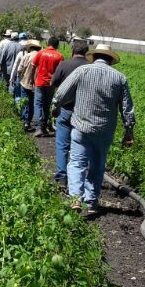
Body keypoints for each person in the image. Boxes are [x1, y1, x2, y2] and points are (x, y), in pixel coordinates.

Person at [51, 44, 134, 218]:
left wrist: (55, 107)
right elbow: (127, 108)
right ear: (110, 60)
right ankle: (91, 202)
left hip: (81, 127)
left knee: (76, 162)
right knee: (97, 165)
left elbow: (62, 91)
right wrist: (128, 131)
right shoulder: (120, 78)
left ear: (94, 56)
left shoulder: (83, 71)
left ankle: (75, 198)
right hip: (104, 130)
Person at [49, 38, 89, 186]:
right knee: (80, 146)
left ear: (72, 50)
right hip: (83, 113)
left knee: (62, 144)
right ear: (86, 53)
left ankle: (61, 177)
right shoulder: (89, 67)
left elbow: (53, 82)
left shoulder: (64, 64)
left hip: (65, 109)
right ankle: (78, 179)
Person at [30, 35, 64, 136]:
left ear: (48, 43)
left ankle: (39, 128)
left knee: (38, 104)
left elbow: (33, 67)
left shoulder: (41, 53)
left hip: (39, 82)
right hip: (51, 84)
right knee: (46, 105)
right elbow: (60, 72)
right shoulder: (59, 56)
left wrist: (32, 79)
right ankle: (43, 127)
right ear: (57, 45)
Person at [11, 39, 41, 129]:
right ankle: (30, 120)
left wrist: (21, 76)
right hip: (37, 83)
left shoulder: (26, 56)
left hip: (25, 82)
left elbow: (19, 70)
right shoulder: (41, 57)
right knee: (32, 102)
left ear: (30, 48)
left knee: (25, 101)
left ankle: (25, 121)